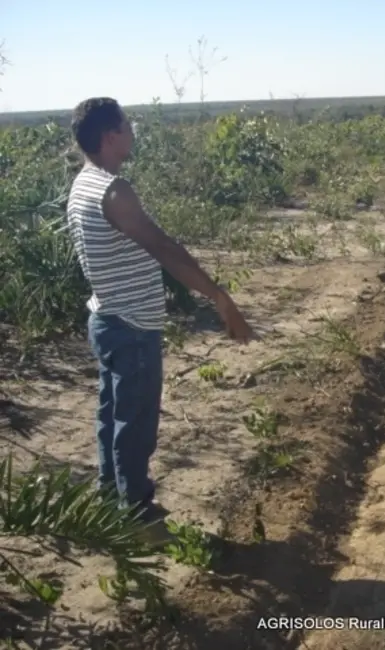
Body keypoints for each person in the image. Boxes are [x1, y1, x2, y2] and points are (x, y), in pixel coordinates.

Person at [66, 97, 255, 540]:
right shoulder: (115, 191)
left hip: (108, 319)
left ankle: (111, 495)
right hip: (131, 327)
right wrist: (220, 298)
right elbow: (164, 248)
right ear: (111, 135)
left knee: (112, 414)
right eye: (128, 125)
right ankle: (135, 514)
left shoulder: (84, 183)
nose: (133, 132)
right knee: (135, 422)